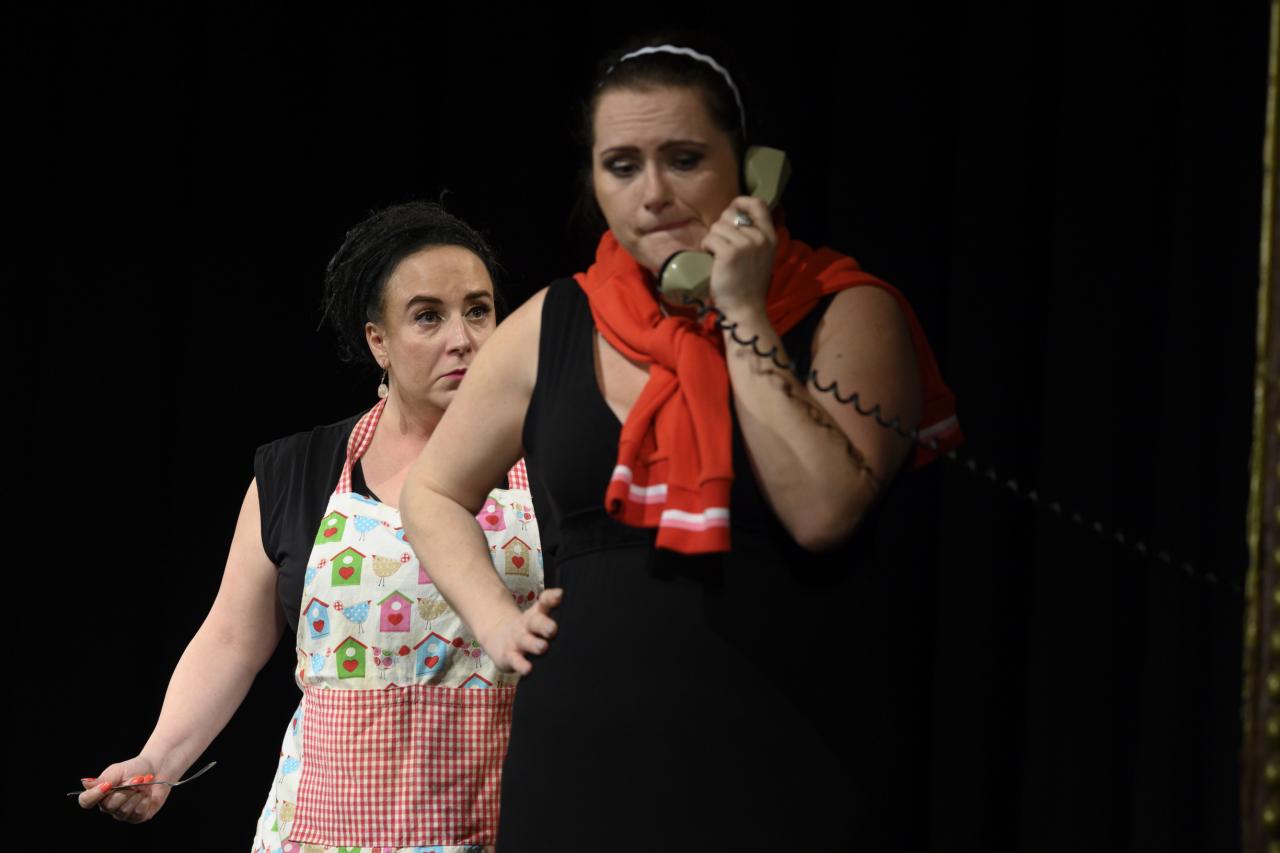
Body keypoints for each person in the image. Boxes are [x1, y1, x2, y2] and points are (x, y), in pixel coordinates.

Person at [399, 43, 962, 849]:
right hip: (578, 778)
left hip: (786, 768)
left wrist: (743, 312)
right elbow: (431, 491)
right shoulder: (555, 321)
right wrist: (494, 619)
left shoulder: (846, 308)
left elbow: (822, 512)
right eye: (622, 165)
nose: (654, 193)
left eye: (686, 159)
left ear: (752, 167)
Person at [77, 201, 547, 853]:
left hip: (501, 826)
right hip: (327, 833)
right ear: (378, 341)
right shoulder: (301, 472)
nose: (462, 337)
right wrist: (160, 759)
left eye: (478, 310)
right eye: (427, 316)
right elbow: (232, 639)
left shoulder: (551, 463)